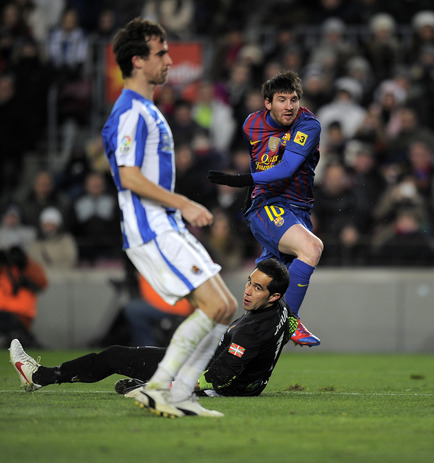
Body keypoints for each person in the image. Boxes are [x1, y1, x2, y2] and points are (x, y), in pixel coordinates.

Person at [100, 18, 237, 418]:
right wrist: (183, 203)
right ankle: (163, 387)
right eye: (161, 53)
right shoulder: (131, 112)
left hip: (165, 226)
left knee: (225, 308)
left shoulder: (145, 109)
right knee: (215, 306)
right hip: (152, 227)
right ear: (138, 61)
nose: (170, 60)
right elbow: (128, 176)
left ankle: (178, 392)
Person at [10, 258, 294, 398]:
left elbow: (217, 378)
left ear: (273, 296)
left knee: (113, 357)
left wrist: (159, 386)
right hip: (222, 371)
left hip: (201, 371)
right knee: (120, 356)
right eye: (249, 281)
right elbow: (289, 322)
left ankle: (40, 376)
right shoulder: (280, 309)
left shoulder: (251, 332)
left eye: (257, 288)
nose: (247, 291)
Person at [207, 70, 323, 347]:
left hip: (298, 212)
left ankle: (219, 352)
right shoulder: (251, 123)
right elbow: (262, 162)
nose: (289, 106)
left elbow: (286, 168)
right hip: (268, 206)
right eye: (282, 100)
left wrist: (241, 180)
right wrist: (252, 190)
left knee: (265, 301)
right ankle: (291, 322)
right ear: (267, 103)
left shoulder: (309, 125)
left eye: (294, 99)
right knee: (311, 248)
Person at [0, 245, 48, 348]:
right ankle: (26, 340)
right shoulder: (6, 270)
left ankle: (26, 340)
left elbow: (42, 282)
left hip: (20, 314)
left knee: (10, 323)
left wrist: (25, 262)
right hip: (6, 312)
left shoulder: (27, 269)